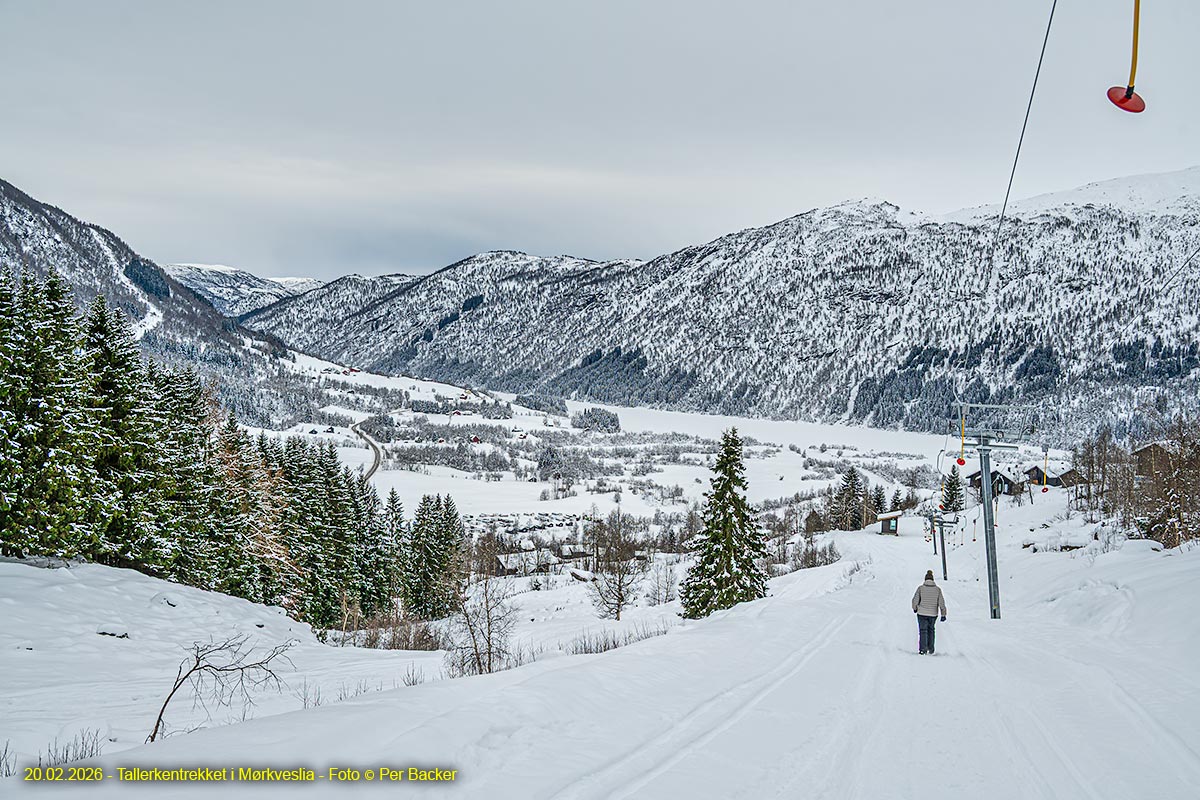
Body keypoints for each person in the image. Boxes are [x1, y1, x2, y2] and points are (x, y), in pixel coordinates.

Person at [912, 570, 947, 655]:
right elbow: (941, 603)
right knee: (931, 630)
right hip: (933, 614)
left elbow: (915, 600)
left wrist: (915, 608)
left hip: (921, 613)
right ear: (933, 579)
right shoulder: (938, 590)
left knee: (923, 630)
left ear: (925, 579)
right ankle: (931, 649)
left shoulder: (920, 588)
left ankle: (923, 649)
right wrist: (943, 614)